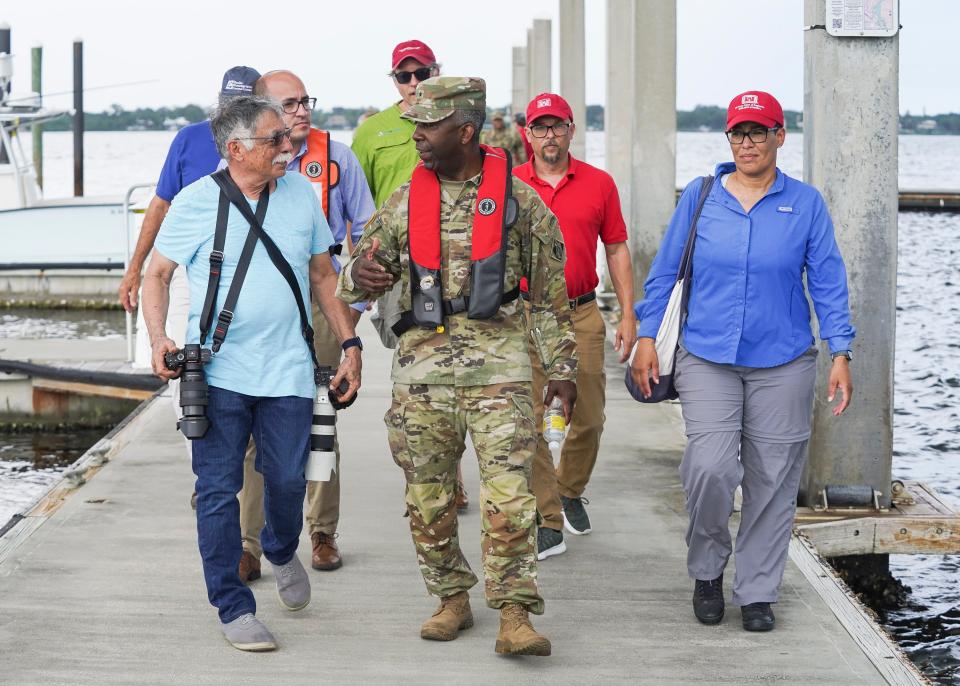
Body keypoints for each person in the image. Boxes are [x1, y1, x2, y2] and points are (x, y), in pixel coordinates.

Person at [337, 77, 578, 656]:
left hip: (501, 367)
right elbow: (351, 277)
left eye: (428, 126)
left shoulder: (521, 203)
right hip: (422, 372)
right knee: (429, 497)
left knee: (510, 496)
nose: (416, 135)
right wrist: (362, 276)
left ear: (465, 131)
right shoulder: (402, 202)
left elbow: (548, 296)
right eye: (414, 124)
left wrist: (563, 371)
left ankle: (515, 613)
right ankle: (451, 598)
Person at [141, 96, 362, 651]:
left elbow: (322, 274)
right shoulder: (194, 202)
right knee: (218, 490)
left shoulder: (301, 198)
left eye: (288, 138)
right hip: (217, 373)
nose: (288, 148)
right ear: (236, 149)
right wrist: (159, 337)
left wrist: (352, 342)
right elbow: (157, 275)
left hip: (288, 370)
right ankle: (234, 608)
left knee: (288, 481)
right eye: (275, 141)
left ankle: (282, 548)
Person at [631, 90, 855, 632]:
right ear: (728, 139)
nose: (747, 142)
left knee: (772, 478)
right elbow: (665, 271)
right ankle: (707, 570)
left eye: (758, 131)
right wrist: (643, 334)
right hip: (706, 354)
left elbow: (827, 280)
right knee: (709, 468)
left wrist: (841, 351)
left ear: (780, 135)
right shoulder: (703, 197)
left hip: (784, 361)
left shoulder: (805, 203)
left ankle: (757, 591)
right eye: (738, 132)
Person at [233, 70, 375, 580]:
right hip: (259, 302)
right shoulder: (245, 157)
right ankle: (248, 542)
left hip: (321, 298)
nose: (302, 111)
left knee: (320, 419)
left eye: (305, 101)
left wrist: (354, 309)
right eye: (290, 104)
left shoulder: (337, 157)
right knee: (250, 424)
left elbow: (367, 228)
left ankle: (322, 532)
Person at [514, 92, 635, 560]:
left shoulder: (599, 183)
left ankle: (569, 489)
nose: (549, 135)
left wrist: (628, 313)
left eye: (557, 126)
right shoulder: (508, 184)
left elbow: (618, 247)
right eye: (540, 127)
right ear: (528, 133)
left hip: (581, 312)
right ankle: (547, 519)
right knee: (532, 419)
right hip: (525, 313)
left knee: (588, 417)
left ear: (571, 130)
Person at [351, 39, 470, 512]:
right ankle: (424, 477)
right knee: (414, 373)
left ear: (438, 72)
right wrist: (355, 276)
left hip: (458, 266)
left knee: (456, 373)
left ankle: (451, 478)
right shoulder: (373, 132)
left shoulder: (458, 124)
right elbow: (354, 209)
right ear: (394, 80)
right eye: (405, 75)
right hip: (398, 272)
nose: (414, 82)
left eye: (422, 73)